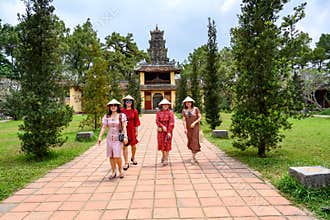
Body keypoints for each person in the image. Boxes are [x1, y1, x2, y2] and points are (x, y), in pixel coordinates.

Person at [98, 99, 128, 179]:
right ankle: (113, 171)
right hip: (109, 138)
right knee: (111, 156)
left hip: (118, 138)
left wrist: (125, 136)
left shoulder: (122, 115)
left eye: (115, 105)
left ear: (117, 106)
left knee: (117, 156)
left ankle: (121, 171)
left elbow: (124, 127)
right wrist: (100, 136)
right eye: (111, 105)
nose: (113, 107)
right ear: (109, 107)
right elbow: (104, 127)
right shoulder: (106, 116)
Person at [121, 95, 141, 170]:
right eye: (127, 101)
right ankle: (126, 163)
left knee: (134, 146)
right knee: (124, 146)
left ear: (132, 102)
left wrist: (136, 131)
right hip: (124, 130)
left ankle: (133, 157)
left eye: (130, 101)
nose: (128, 103)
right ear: (125, 102)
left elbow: (136, 122)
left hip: (132, 129)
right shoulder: (122, 111)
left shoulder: (134, 111)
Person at [182, 96, 202, 164]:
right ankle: (194, 156)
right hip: (188, 128)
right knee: (190, 140)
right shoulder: (184, 111)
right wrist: (185, 128)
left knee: (195, 141)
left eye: (189, 102)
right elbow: (184, 120)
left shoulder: (196, 109)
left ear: (192, 103)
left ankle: (193, 157)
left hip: (195, 127)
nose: (188, 104)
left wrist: (194, 123)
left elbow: (200, 117)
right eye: (186, 103)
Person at [156, 98, 175, 166]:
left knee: (167, 143)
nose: (165, 106)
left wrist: (169, 131)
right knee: (161, 143)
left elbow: (172, 122)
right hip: (161, 130)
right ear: (161, 105)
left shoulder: (170, 112)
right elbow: (157, 121)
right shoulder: (158, 112)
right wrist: (161, 126)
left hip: (168, 130)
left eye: (167, 105)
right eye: (164, 105)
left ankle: (166, 158)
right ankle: (163, 155)